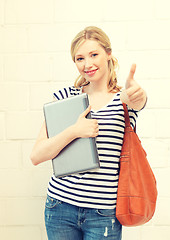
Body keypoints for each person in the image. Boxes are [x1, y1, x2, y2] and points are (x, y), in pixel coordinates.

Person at [30, 26, 147, 240]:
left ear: (108, 54)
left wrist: (138, 95)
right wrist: (74, 131)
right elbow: (36, 155)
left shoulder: (124, 100)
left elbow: (139, 100)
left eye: (94, 55)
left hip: (103, 213)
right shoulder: (65, 97)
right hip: (59, 206)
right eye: (80, 58)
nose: (88, 64)